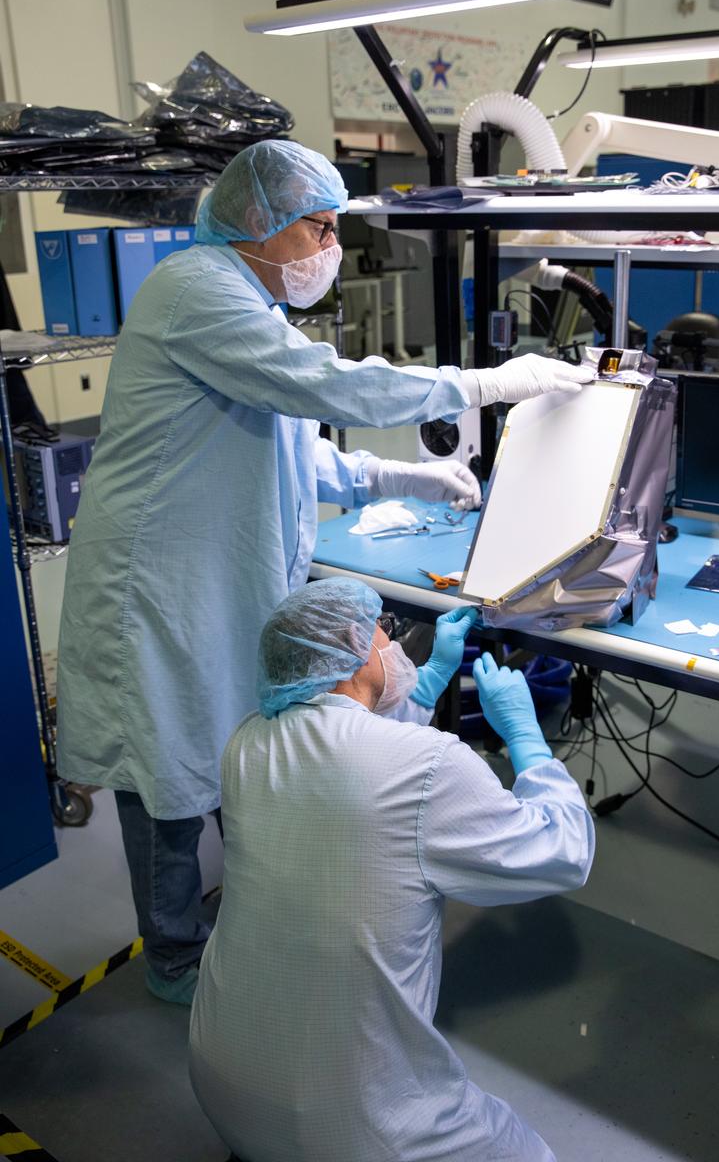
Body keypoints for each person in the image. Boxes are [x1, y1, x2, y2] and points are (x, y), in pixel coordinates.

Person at [56, 139, 592, 1005]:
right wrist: (489, 384)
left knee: (231, 746)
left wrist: (390, 475)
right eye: (316, 229)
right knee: (165, 775)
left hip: (221, 579)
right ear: (258, 224)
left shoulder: (247, 308)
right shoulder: (193, 290)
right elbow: (331, 386)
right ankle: (175, 957)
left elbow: (283, 442)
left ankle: (243, 916)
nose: (327, 250)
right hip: (155, 585)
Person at [188, 575, 595, 1162]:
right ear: (354, 648)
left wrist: (428, 680)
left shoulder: (245, 744)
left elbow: (358, 770)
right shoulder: (429, 765)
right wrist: (529, 742)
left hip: (218, 1081)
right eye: (385, 629)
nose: (394, 642)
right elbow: (564, 854)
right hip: (353, 1124)